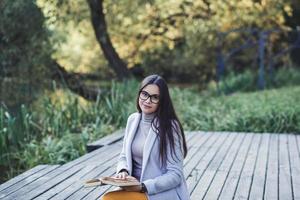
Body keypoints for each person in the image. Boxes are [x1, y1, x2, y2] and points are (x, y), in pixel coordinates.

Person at [102, 74, 190, 200]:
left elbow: (175, 175)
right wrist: (123, 171)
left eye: (155, 97)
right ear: (139, 94)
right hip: (131, 187)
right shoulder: (132, 120)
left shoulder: (170, 126)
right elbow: (124, 156)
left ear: (162, 101)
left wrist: (143, 186)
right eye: (145, 94)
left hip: (158, 192)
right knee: (107, 198)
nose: (148, 100)